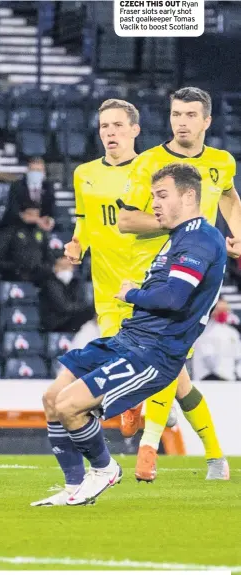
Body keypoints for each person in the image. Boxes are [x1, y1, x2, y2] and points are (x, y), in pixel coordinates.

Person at [34, 164, 226, 507]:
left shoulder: (200, 238)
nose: (154, 204)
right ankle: (75, 484)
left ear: (189, 195)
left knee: (69, 406)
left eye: (162, 196)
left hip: (153, 353)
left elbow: (173, 297)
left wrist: (131, 294)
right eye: (153, 196)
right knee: (52, 398)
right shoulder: (178, 237)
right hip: (128, 339)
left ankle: (105, 468)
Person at [114, 87, 240, 481]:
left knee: (173, 359)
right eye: (175, 114)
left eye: (189, 115)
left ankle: (148, 449)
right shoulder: (150, 161)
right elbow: (127, 220)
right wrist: (180, 224)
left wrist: (236, 232)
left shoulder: (221, 162)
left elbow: (230, 198)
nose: (181, 122)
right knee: (175, 374)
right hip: (150, 276)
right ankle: (216, 457)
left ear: (206, 121)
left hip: (193, 281)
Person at [34, 99, 141, 505]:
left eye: (117, 125)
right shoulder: (86, 174)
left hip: (146, 296)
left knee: (157, 375)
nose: (109, 132)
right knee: (54, 400)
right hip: (107, 298)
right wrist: (78, 244)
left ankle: (132, 411)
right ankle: (77, 485)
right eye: (103, 126)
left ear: (134, 129)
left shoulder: (150, 171)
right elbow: (86, 221)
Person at [0, 200, 54, 286]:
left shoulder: (40, 233)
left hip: (38, 277)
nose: (34, 218)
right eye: (30, 214)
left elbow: (48, 256)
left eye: (36, 215)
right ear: (22, 214)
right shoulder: (9, 232)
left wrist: (43, 268)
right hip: (14, 277)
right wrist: (16, 267)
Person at [39, 256, 94, 333]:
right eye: (62, 267)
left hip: (69, 320)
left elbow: (79, 301)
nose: (66, 270)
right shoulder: (51, 284)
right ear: (55, 268)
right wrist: (80, 307)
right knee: (88, 311)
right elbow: (64, 307)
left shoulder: (74, 283)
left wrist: (79, 307)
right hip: (56, 324)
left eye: (68, 266)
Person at [1, 157, 55, 231]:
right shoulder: (17, 186)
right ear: (27, 171)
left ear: (44, 173)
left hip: (42, 227)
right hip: (18, 226)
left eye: (38, 170)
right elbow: (13, 209)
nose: (35, 173)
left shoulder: (48, 187)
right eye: (33, 170)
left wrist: (49, 220)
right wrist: (32, 218)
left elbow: (52, 209)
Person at [192, 298, 241, 381]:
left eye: (225, 310)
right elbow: (208, 358)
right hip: (206, 378)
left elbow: (238, 356)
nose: (223, 313)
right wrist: (221, 374)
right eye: (219, 310)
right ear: (212, 311)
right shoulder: (204, 332)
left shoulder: (232, 332)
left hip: (229, 378)